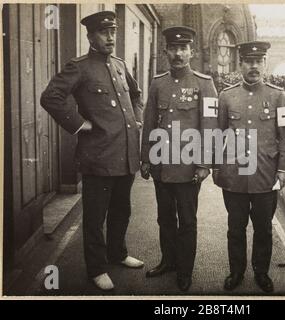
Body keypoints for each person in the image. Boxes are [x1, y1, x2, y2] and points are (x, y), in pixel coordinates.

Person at [40, 11, 144, 291]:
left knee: (122, 209)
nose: (110, 37)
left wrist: (137, 119)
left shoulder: (120, 65)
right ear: (90, 37)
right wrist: (78, 124)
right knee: (96, 216)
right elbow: (50, 97)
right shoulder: (80, 67)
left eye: (113, 32)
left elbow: (135, 95)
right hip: (97, 156)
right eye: (103, 32)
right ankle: (96, 269)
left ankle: (118, 254)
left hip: (126, 154)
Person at [140, 26, 218, 291]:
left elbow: (210, 126)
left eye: (183, 48)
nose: (178, 54)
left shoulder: (204, 84)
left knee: (186, 220)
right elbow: (149, 122)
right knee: (164, 217)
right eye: (173, 48)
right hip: (162, 164)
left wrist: (204, 164)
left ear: (191, 52)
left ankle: (185, 270)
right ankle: (168, 261)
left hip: (188, 168)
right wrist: (146, 158)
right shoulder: (157, 83)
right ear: (166, 52)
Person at [213, 41, 285, 293]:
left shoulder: (278, 95)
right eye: (249, 61)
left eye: (258, 61)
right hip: (235, 176)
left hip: (265, 175)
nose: (254, 66)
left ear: (265, 63)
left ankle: (261, 272)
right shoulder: (226, 96)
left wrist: (284, 169)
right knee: (235, 228)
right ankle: (236, 271)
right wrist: (217, 166)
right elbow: (218, 133)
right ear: (241, 64)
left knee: (264, 229)